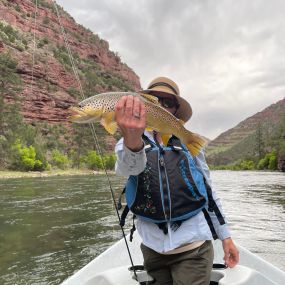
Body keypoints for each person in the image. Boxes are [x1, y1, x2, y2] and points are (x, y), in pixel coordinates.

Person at [114, 77, 239, 285]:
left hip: (194, 250)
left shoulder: (189, 143)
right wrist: (132, 139)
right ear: (143, 105)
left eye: (168, 103)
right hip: (153, 251)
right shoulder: (127, 141)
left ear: (175, 110)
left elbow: (208, 191)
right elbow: (128, 169)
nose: (160, 106)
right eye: (153, 100)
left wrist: (226, 237)